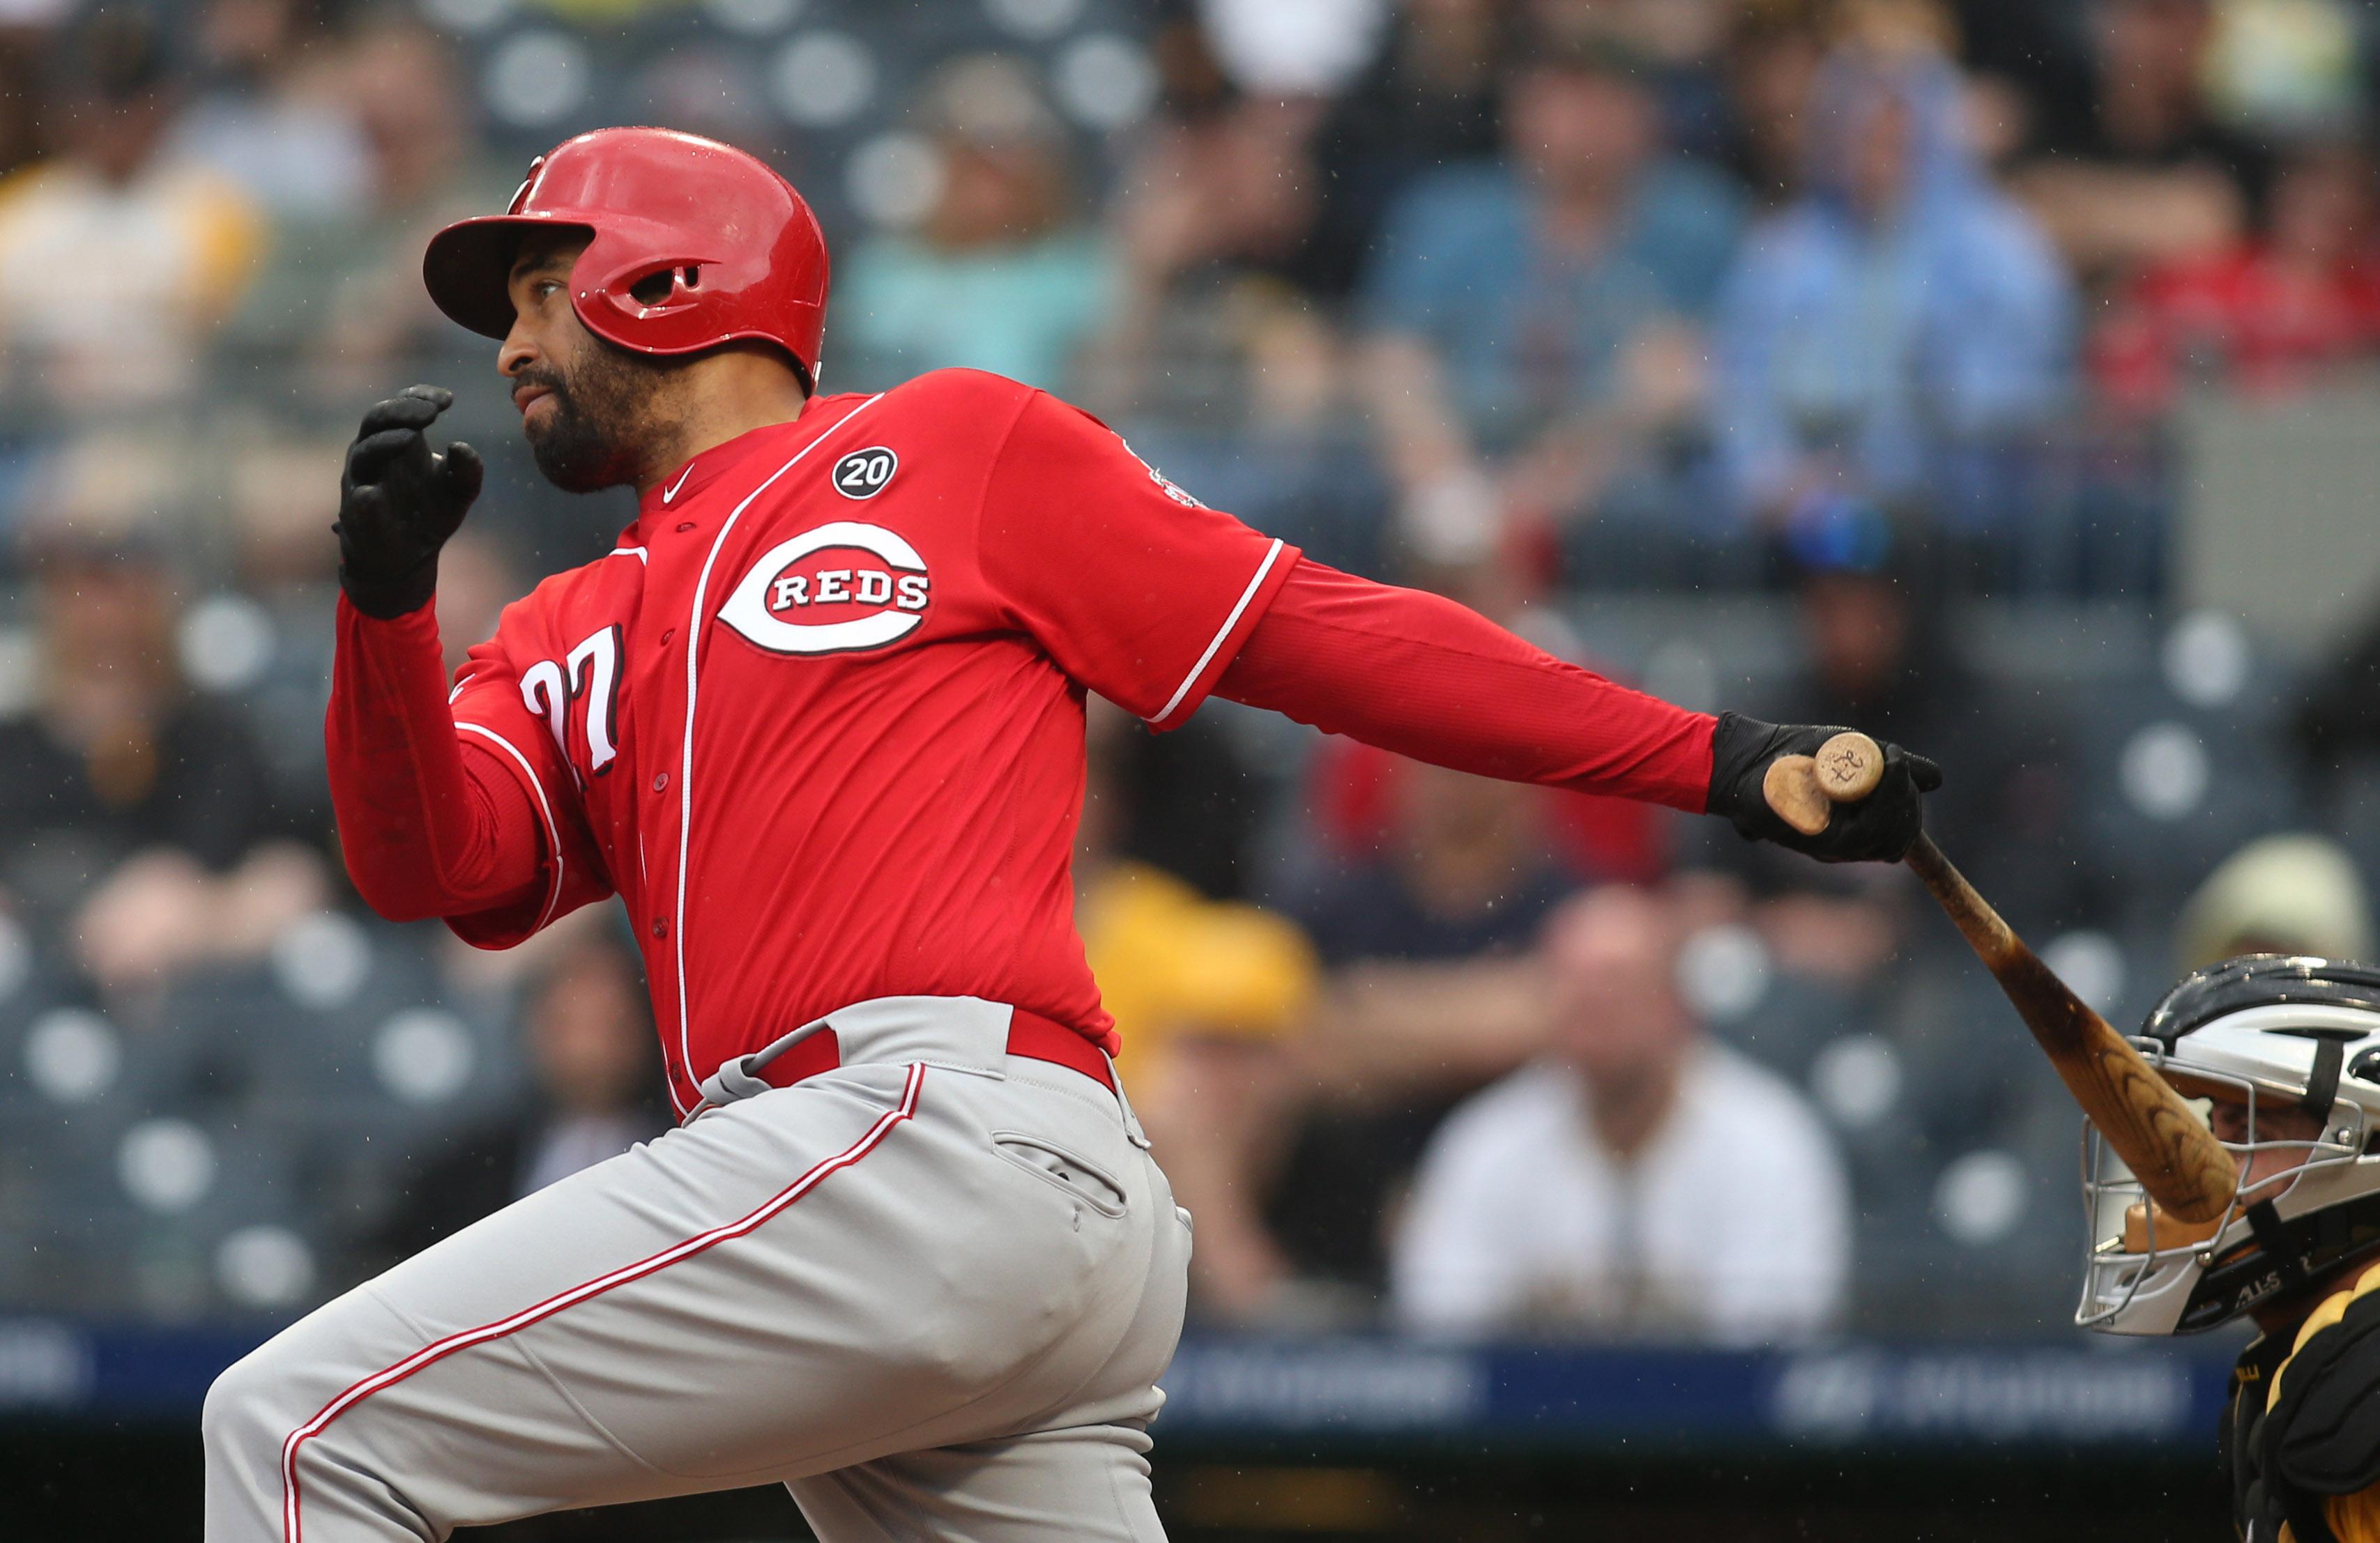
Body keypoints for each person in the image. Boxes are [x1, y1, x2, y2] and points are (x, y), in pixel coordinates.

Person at [199, 127, 1936, 1542]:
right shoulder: (562, 621)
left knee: (290, 1434)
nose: (505, 345)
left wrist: (1711, 760)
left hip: (919, 1140)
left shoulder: (946, 446)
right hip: (960, 1216)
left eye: (536, 289)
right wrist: (384, 615)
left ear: (669, 282)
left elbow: (1314, 632)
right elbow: (444, 872)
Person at [1391, 885, 1850, 1342]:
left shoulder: (1769, 1140)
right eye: (1573, 984)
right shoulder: (1487, 1143)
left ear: (1677, 1003)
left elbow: (1778, 1346)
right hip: (1538, 1413)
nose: (1594, 1005)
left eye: (1617, 982)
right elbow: (1440, 1330)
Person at [2077, 955, 2380, 1542]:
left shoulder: (2362, 1369)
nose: (2201, 1171)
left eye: (2254, 1135)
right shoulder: (2305, 1349)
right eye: (2216, 1129)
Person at [371, 931, 670, 1270]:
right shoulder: (469, 1171)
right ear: (533, 1028)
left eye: (611, 1027)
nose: (586, 1053)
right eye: (566, 1027)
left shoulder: (685, 1156)